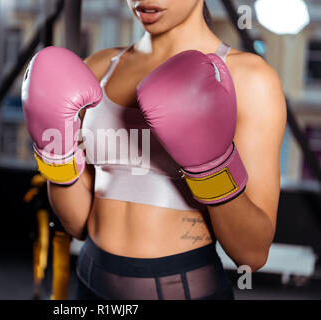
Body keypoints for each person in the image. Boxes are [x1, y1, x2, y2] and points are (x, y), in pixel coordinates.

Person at [22, 0, 287, 300]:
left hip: (184, 288)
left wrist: (211, 167)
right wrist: (55, 158)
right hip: (90, 280)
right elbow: (77, 224)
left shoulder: (250, 78)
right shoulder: (99, 66)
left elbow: (252, 254)